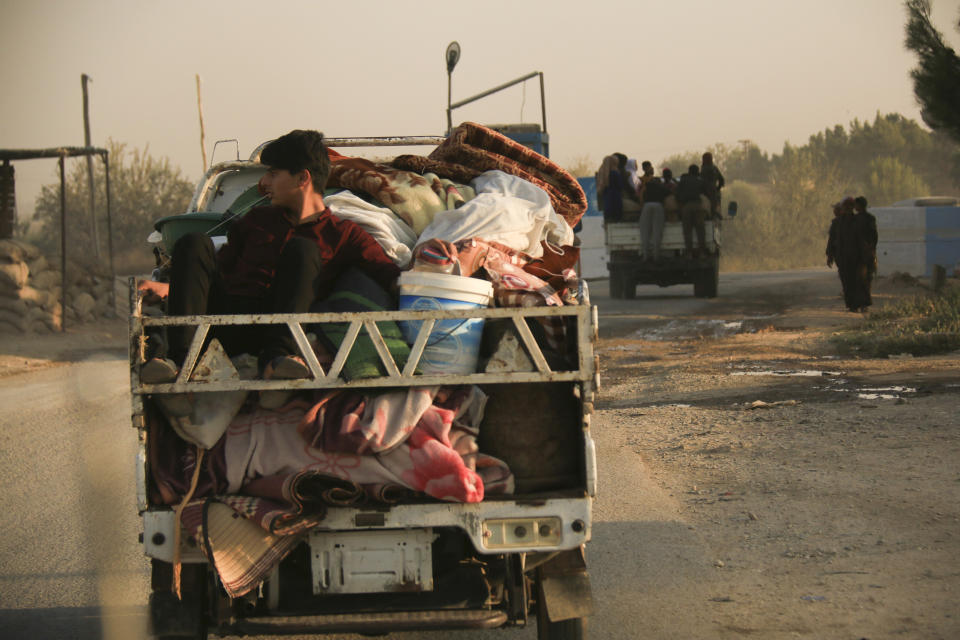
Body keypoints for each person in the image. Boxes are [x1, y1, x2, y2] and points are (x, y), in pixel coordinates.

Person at [138, 129, 401, 393]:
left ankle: (277, 362)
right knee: (193, 242)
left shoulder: (344, 235)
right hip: (224, 321)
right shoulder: (256, 220)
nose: (265, 183)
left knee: (303, 250)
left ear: (302, 178)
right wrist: (171, 288)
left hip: (276, 331)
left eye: (274, 174)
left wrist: (431, 262)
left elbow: (391, 276)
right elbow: (216, 272)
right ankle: (181, 361)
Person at [852, 196, 878, 311]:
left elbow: (874, 236)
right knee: (860, 280)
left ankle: (864, 303)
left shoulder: (867, 219)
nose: (854, 207)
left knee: (865, 279)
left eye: (856, 205)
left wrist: (870, 248)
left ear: (860, 205)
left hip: (865, 254)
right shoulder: (855, 219)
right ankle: (861, 303)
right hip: (858, 253)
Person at [676, 164, 708, 257]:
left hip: (686, 206)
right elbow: (705, 193)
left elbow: (677, 193)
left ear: (689, 171)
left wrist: (681, 202)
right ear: (697, 172)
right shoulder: (700, 181)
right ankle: (702, 252)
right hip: (698, 205)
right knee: (700, 230)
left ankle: (689, 252)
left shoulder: (683, 181)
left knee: (687, 230)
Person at [639, 173, 669, 262]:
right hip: (658, 206)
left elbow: (640, 197)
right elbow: (670, 194)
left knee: (645, 233)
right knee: (657, 232)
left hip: (647, 206)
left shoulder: (646, 187)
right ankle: (656, 257)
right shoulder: (661, 187)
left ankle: (645, 256)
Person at [700, 152, 725, 218]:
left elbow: (701, 182)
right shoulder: (714, 168)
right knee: (717, 211)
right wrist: (717, 189)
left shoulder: (704, 169)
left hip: (707, 193)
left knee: (709, 212)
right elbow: (721, 180)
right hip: (715, 193)